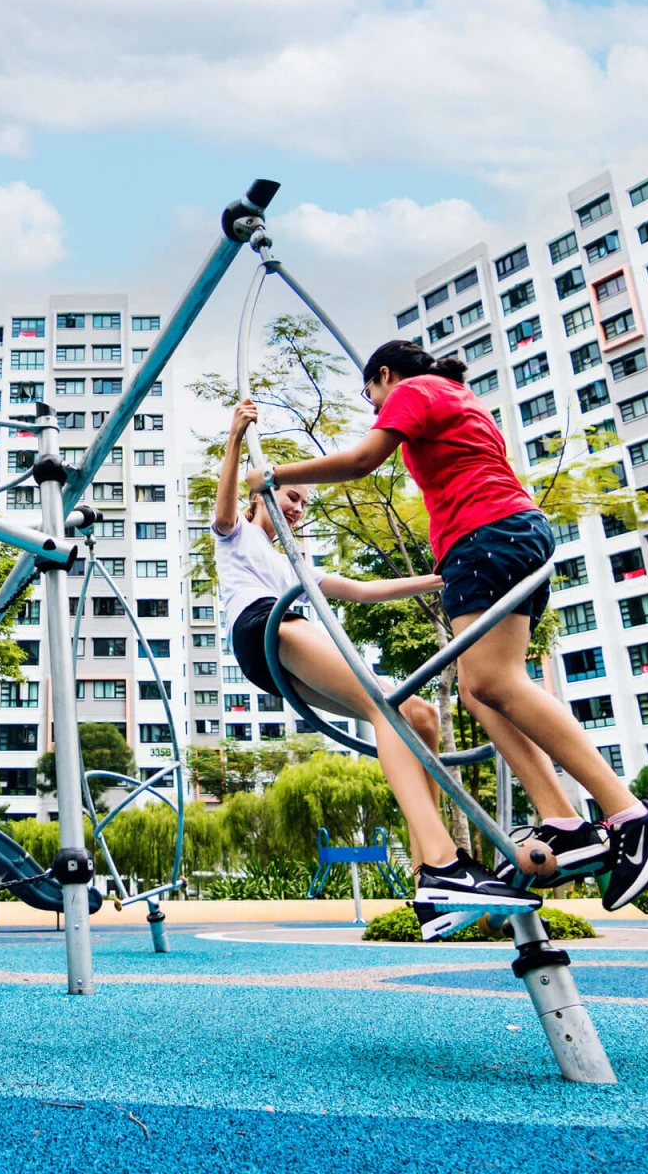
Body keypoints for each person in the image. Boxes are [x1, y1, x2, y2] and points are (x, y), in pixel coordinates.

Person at [245, 341, 648, 914]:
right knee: (483, 690)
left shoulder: (412, 390)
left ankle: (631, 813)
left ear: (383, 375)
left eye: (369, 394)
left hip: (485, 537)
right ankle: (565, 821)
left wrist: (271, 475)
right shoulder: (461, 398)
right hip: (502, 536)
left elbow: (360, 463)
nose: (376, 405)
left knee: (498, 684)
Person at [215, 397, 539, 938]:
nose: (297, 508)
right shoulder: (240, 536)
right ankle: (442, 865)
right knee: (385, 709)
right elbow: (226, 512)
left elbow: (363, 591)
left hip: (287, 633)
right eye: (291, 496)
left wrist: (446, 576)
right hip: (262, 627)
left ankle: (430, 875)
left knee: (419, 716)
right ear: (263, 494)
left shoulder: (297, 563)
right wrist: (234, 439)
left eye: (302, 504)